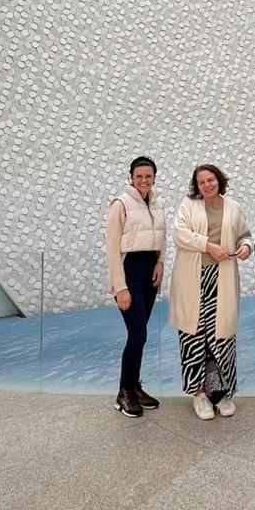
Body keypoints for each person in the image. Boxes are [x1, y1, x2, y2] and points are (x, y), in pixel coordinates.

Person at [170, 164, 253, 420]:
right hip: (192, 280)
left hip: (223, 279)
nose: (207, 184)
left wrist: (246, 247)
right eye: (201, 181)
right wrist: (208, 246)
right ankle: (199, 394)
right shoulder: (188, 206)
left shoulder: (234, 208)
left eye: (211, 179)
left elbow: (245, 235)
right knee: (193, 337)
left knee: (221, 336)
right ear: (196, 185)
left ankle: (219, 392)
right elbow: (179, 235)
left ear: (219, 180)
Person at [106, 156, 166, 418]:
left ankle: (134, 386)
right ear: (131, 177)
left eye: (148, 176)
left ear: (154, 177)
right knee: (137, 335)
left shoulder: (156, 201)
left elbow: (161, 237)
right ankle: (124, 393)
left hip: (149, 272)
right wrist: (120, 287)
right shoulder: (121, 204)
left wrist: (161, 262)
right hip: (129, 272)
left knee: (141, 335)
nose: (144, 180)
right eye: (139, 175)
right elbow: (111, 249)